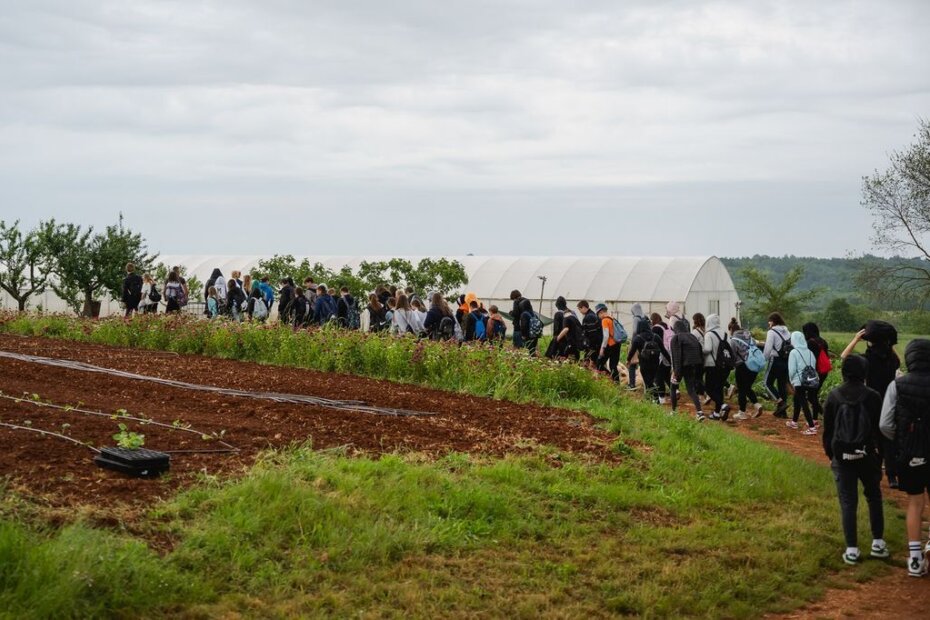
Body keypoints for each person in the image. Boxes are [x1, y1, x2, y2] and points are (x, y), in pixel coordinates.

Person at [823, 355, 888, 566]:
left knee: (848, 503)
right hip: (867, 455)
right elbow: (880, 431)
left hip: (842, 458)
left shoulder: (834, 396)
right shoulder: (873, 396)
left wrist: (833, 456)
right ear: (864, 373)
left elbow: (828, 433)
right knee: (874, 496)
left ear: (843, 372)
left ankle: (852, 550)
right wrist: (880, 457)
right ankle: (878, 543)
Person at [879, 339, 930, 577]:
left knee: (915, 503)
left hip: (909, 453)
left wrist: (900, 439)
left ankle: (915, 561)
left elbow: (885, 424)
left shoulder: (896, 385)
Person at [843, 325, 902, 488]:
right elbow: (899, 362)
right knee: (887, 439)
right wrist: (890, 344)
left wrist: (856, 339)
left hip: (870, 401)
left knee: (870, 437)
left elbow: (844, 357)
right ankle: (892, 477)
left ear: (870, 341)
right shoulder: (891, 359)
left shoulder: (867, 358)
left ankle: (873, 471)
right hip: (889, 401)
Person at [669, 319, 705, 421]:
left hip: (681, 366)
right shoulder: (692, 337)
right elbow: (700, 352)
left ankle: (674, 411)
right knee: (691, 390)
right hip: (693, 366)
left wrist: (676, 371)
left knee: (673, 387)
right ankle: (699, 412)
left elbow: (676, 356)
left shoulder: (676, 338)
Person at [787, 331, 819, 435]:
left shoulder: (793, 352)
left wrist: (792, 381)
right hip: (810, 380)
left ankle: (811, 427)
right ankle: (794, 422)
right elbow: (813, 366)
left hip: (798, 380)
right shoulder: (810, 352)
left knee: (803, 403)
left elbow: (791, 370)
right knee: (797, 399)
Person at [730, 327, 764, 420]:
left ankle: (742, 413)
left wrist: (732, 366)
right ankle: (757, 405)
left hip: (742, 366)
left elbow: (732, 355)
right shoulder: (750, 338)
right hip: (754, 366)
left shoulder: (733, 340)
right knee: (747, 388)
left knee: (741, 390)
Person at [701, 314, 731, 420]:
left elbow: (707, 349)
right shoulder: (725, 334)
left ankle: (723, 405)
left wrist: (701, 348)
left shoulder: (709, 334)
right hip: (725, 366)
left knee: (708, 389)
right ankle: (717, 413)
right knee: (719, 388)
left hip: (712, 365)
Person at [763, 312, 792, 418]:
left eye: (769, 321)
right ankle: (782, 413)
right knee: (781, 386)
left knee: (767, 383)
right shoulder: (787, 331)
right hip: (786, 361)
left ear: (773, 321)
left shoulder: (771, 332)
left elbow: (768, 348)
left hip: (775, 360)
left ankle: (780, 403)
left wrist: (763, 360)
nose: (768, 323)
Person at [627, 316, 661, 400]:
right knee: (650, 381)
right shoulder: (656, 337)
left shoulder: (637, 338)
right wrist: (669, 361)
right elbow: (663, 350)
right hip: (655, 364)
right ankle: (649, 399)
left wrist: (628, 360)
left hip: (644, 364)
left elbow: (632, 351)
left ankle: (656, 400)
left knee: (648, 382)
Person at [595, 304, 621, 382]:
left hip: (610, 345)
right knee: (613, 365)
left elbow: (606, 336)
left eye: (598, 314)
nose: (598, 316)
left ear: (601, 312)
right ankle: (616, 383)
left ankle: (609, 377)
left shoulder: (604, 320)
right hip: (617, 343)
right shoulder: (612, 318)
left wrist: (602, 348)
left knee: (599, 363)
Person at [651, 312, 672, 404]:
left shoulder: (655, 328)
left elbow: (657, 343)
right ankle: (675, 390)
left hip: (662, 354)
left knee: (659, 376)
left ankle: (662, 397)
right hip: (670, 352)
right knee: (667, 375)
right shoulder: (667, 326)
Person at [510, 290, 537, 355]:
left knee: (516, 345)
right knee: (530, 345)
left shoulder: (516, 301)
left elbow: (516, 313)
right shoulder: (526, 300)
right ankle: (532, 357)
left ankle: (515, 358)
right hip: (528, 327)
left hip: (518, 326)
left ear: (514, 297)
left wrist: (511, 313)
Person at [578, 300, 601, 366]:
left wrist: (590, 347)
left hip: (593, 346)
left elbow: (592, 333)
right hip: (596, 345)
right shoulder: (592, 314)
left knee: (590, 364)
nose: (580, 311)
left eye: (580, 309)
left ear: (584, 307)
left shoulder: (589, 317)